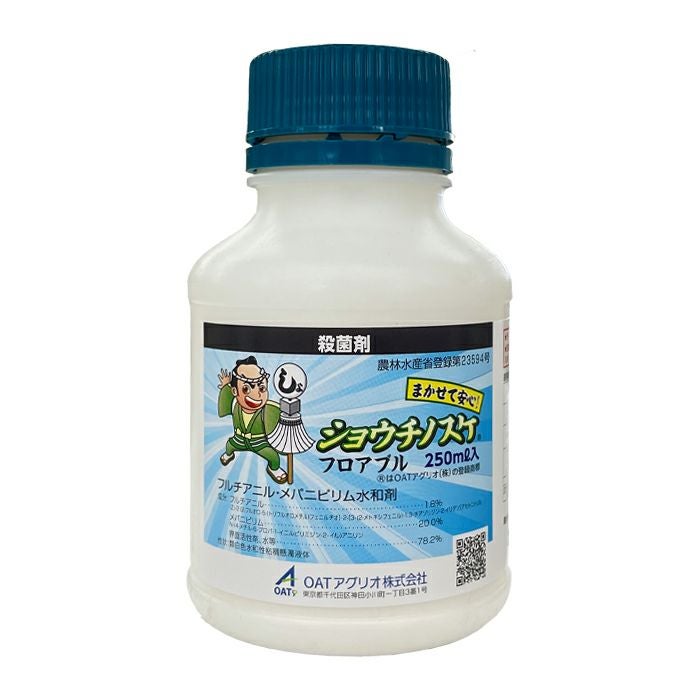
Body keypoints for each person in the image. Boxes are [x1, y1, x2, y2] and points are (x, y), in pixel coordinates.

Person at [217, 356, 286, 484]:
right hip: (239, 439)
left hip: (259, 443)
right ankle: (229, 455)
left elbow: (280, 422)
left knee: (274, 457)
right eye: (246, 389)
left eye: (262, 388)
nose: (257, 395)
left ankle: (273, 469)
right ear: (235, 391)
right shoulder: (234, 405)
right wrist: (226, 385)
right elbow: (225, 401)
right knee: (229, 445)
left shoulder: (268, 410)